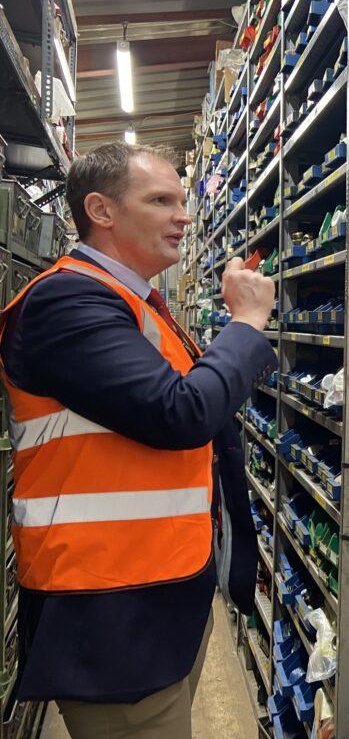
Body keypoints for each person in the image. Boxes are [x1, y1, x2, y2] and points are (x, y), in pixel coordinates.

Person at [0, 142, 278, 737]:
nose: (184, 216)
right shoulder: (66, 301)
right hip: (110, 617)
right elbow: (182, 413)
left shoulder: (133, 302)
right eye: (160, 201)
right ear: (99, 210)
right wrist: (247, 324)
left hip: (160, 595)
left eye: (183, 201)